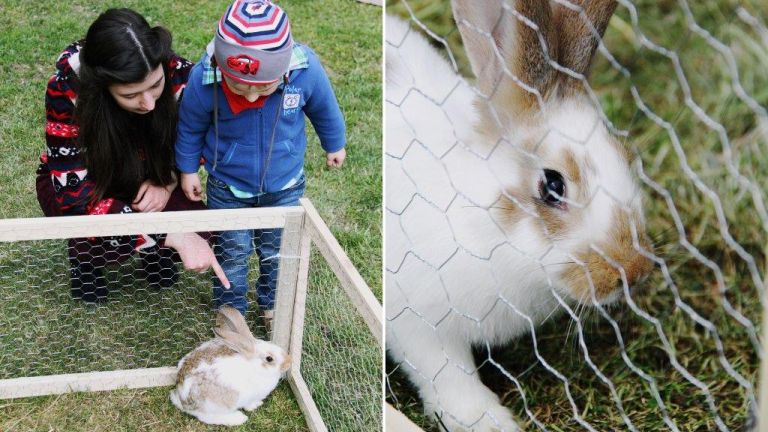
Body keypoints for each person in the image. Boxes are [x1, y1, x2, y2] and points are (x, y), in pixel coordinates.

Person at [36, 8, 229, 303]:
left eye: (155, 86)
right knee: (87, 224)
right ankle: (87, 261)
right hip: (93, 179)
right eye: (130, 95)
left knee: (202, 230)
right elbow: (74, 195)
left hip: (154, 171)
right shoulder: (67, 88)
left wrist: (168, 182)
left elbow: (206, 136)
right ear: (103, 87)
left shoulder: (183, 75)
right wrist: (169, 234)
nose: (149, 104)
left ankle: (152, 252)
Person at [176, 0, 346, 328]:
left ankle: (273, 305)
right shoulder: (204, 78)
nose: (251, 97)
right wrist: (186, 168)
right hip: (228, 186)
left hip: (284, 186)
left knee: (277, 252)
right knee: (232, 253)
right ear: (223, 68)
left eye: (264, 87)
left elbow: (325, 108)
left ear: (283, 70)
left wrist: (334, 142)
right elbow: (190, 126)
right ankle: (231, 312)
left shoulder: (305, 71)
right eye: (239, 86)